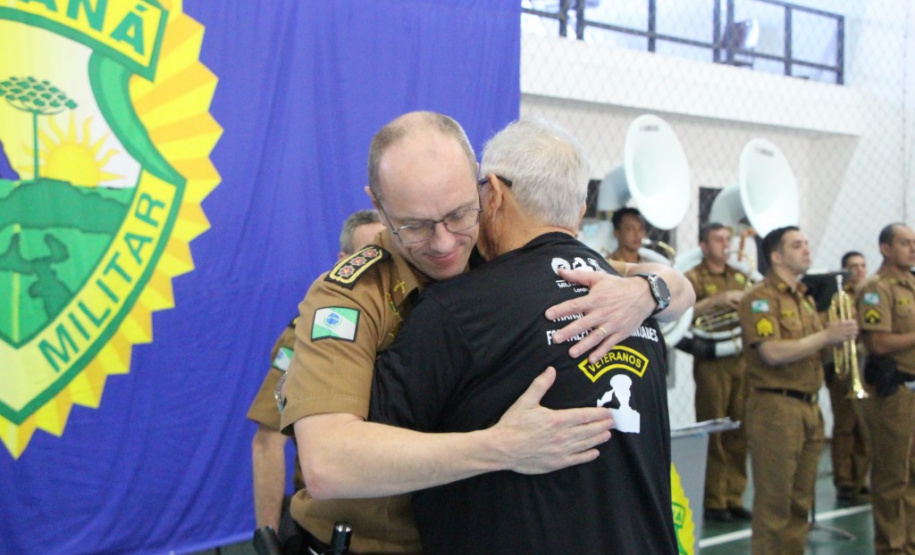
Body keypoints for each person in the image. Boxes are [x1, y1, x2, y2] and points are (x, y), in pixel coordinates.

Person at [278, 111, 694, 554]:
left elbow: (673, 283)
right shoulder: (350, 295)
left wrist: (646, 293)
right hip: (365, 544)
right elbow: (327, 464)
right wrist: (503, 447)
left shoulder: (493, 250)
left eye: (458, 214)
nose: (443, 243)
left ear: (483, 190)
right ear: (378, 206)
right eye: (415, 226)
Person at [246, 210, 385, 533]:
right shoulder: (314, 330)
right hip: (335, 518)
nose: (377, 269)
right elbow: (267, 442)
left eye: (385, 256)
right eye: (366, 256)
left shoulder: (416, 314)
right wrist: (269, 539)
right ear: (343, 261)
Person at [737, 225, 858, 555]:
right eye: (797, 245)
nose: (807, 250)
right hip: (777, 408)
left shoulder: (805, 300)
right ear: (776, 256)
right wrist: (826, 335)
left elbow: (814, 349)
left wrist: (841, 340)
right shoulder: (759, 300)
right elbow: (771, 352)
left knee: (799, 505)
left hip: (808, 406)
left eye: (806, 243)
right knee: (774, 506)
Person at [685, 222, 751, 522]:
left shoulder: (740, 277)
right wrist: (717, 301)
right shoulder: (693, 277)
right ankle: (714, 499)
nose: (725, 244)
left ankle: (734, 495)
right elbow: (683, 313)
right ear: (704, 245)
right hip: (712, 363)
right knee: (715, 430)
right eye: (718, 239)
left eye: (728, 239)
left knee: (740, 430)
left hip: (741, 359)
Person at [856, 223, 915, 555]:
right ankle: (893, 548)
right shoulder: (877, 290)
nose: (912, 248)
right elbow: (878, 343)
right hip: (896, 392)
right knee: (893, 478)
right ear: (885, 248)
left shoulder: (912, 285)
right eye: (905, 243)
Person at [826, 250, 870, 503]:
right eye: (853, 266)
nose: (859, 271)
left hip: (866, 367)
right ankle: (844, 480)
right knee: (845, 426)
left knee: (865, 428)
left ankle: (861, 479)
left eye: (862, 265)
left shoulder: (871, 294)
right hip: (843, 367)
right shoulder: (837, 298)